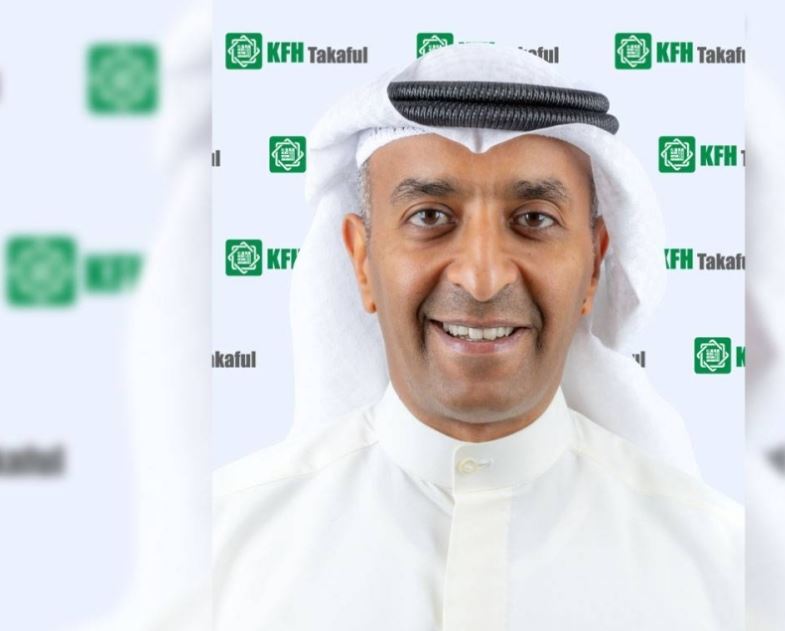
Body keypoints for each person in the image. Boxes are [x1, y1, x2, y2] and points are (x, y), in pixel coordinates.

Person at [214, 44, 743, 631]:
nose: (483, 278)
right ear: (362, 261)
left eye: (534, 219)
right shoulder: (226, 554)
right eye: (430, 216)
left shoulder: (717, 570)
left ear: (594, 265)